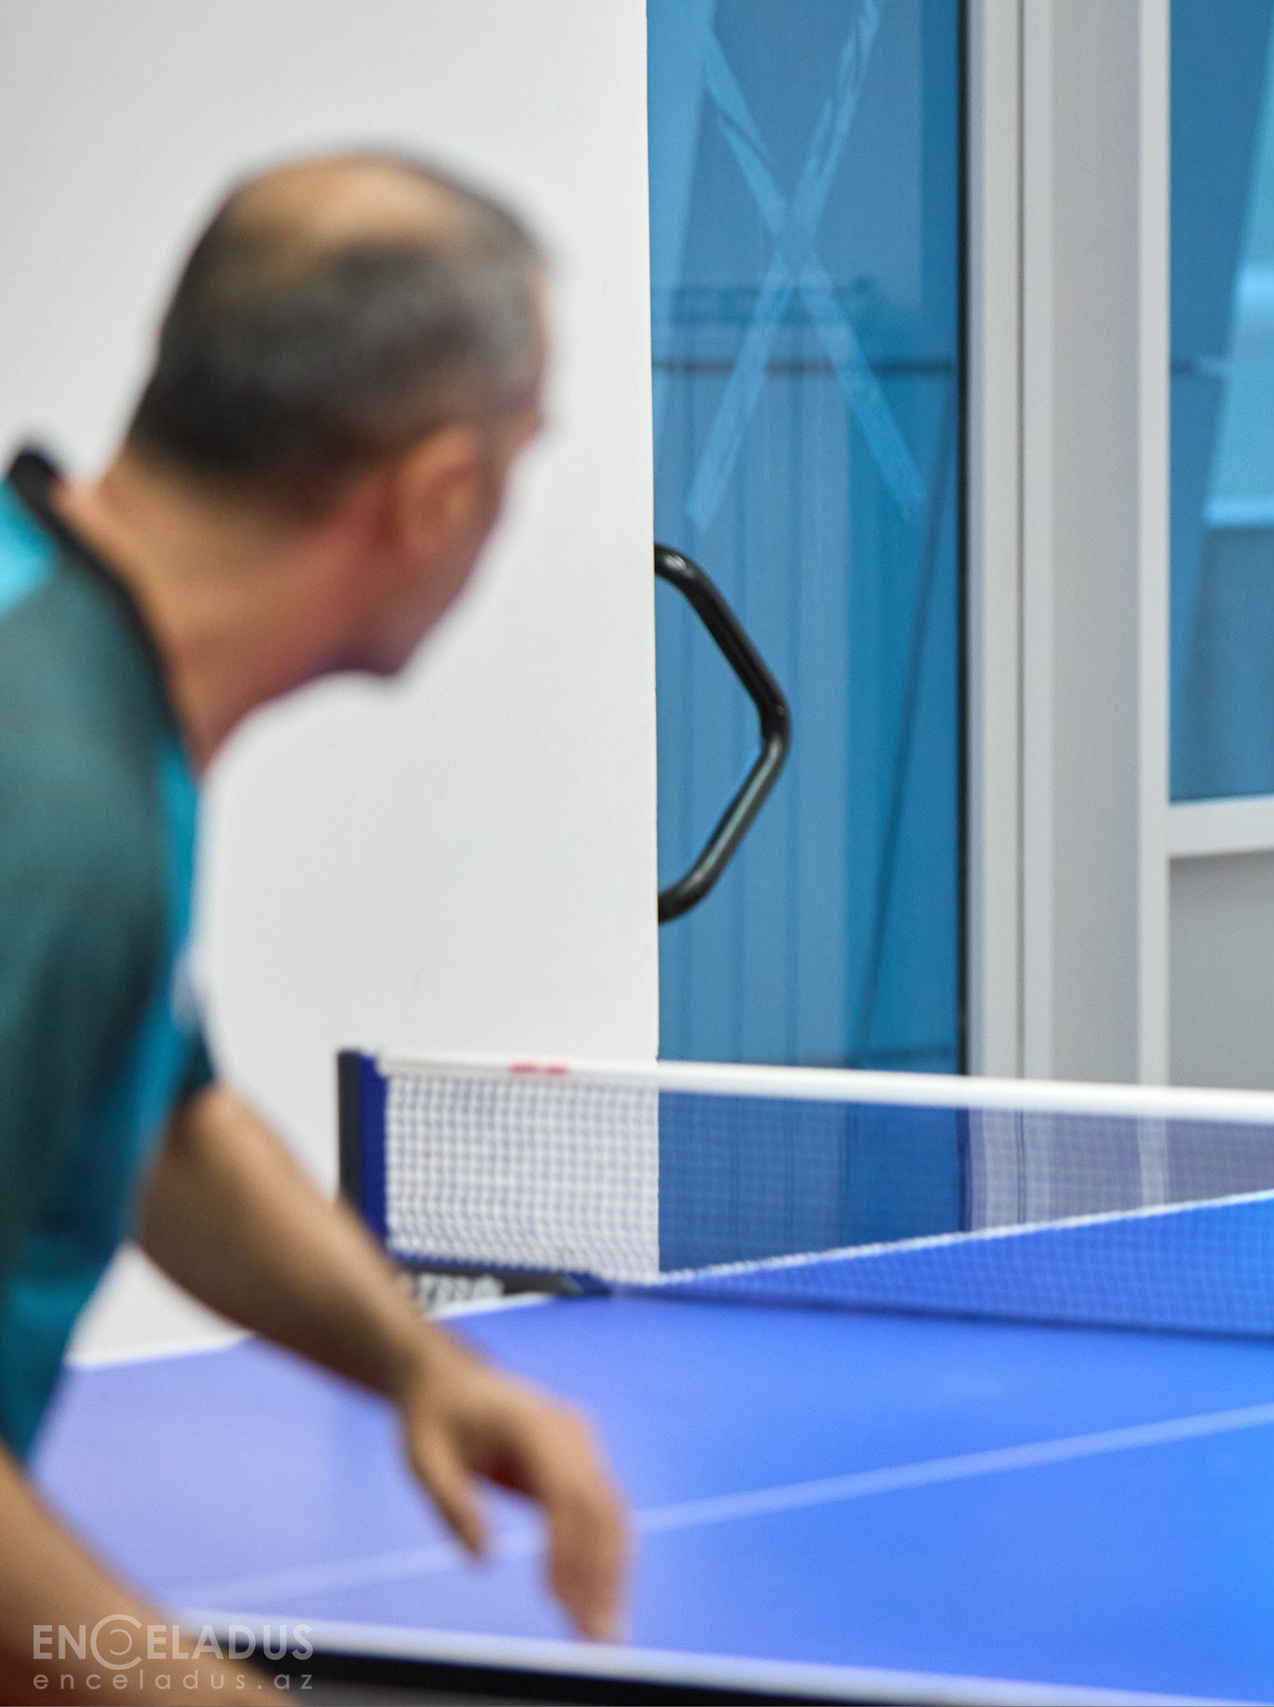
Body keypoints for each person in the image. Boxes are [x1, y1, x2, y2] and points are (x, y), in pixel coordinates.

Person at [0, 154, 629, 1702]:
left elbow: (160, 1119)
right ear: (437, 495)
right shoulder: (58, 818)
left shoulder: (52, 635)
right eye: (517, 460)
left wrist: (421, 1364)